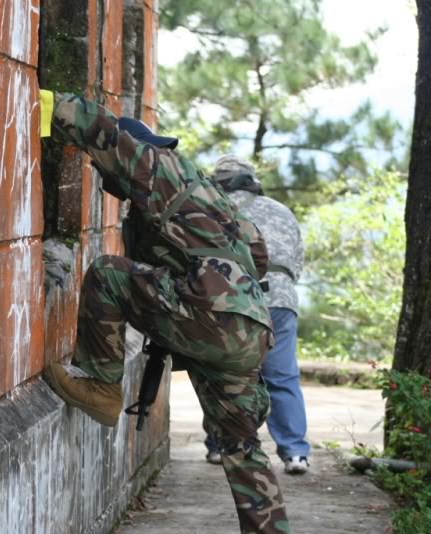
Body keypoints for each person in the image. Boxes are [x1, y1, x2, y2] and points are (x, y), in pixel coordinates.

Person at [40, 91, 290, 534]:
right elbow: (259, 255)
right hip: (250, 330)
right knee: (241, 446)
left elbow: (98, 130)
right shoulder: (211, 197)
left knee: (108, 274)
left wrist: (42, 103)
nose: (105, 174)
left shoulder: (157, 169)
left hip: (211, 316)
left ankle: (101, 386)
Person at [205, 155, 310, 475]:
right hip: (280, 299)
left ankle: (219, 446)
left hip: (234, 300)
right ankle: (295, 453)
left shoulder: (212, 209)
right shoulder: (282, 210)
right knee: (282, 376)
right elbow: (298, 263)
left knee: (226, 373)